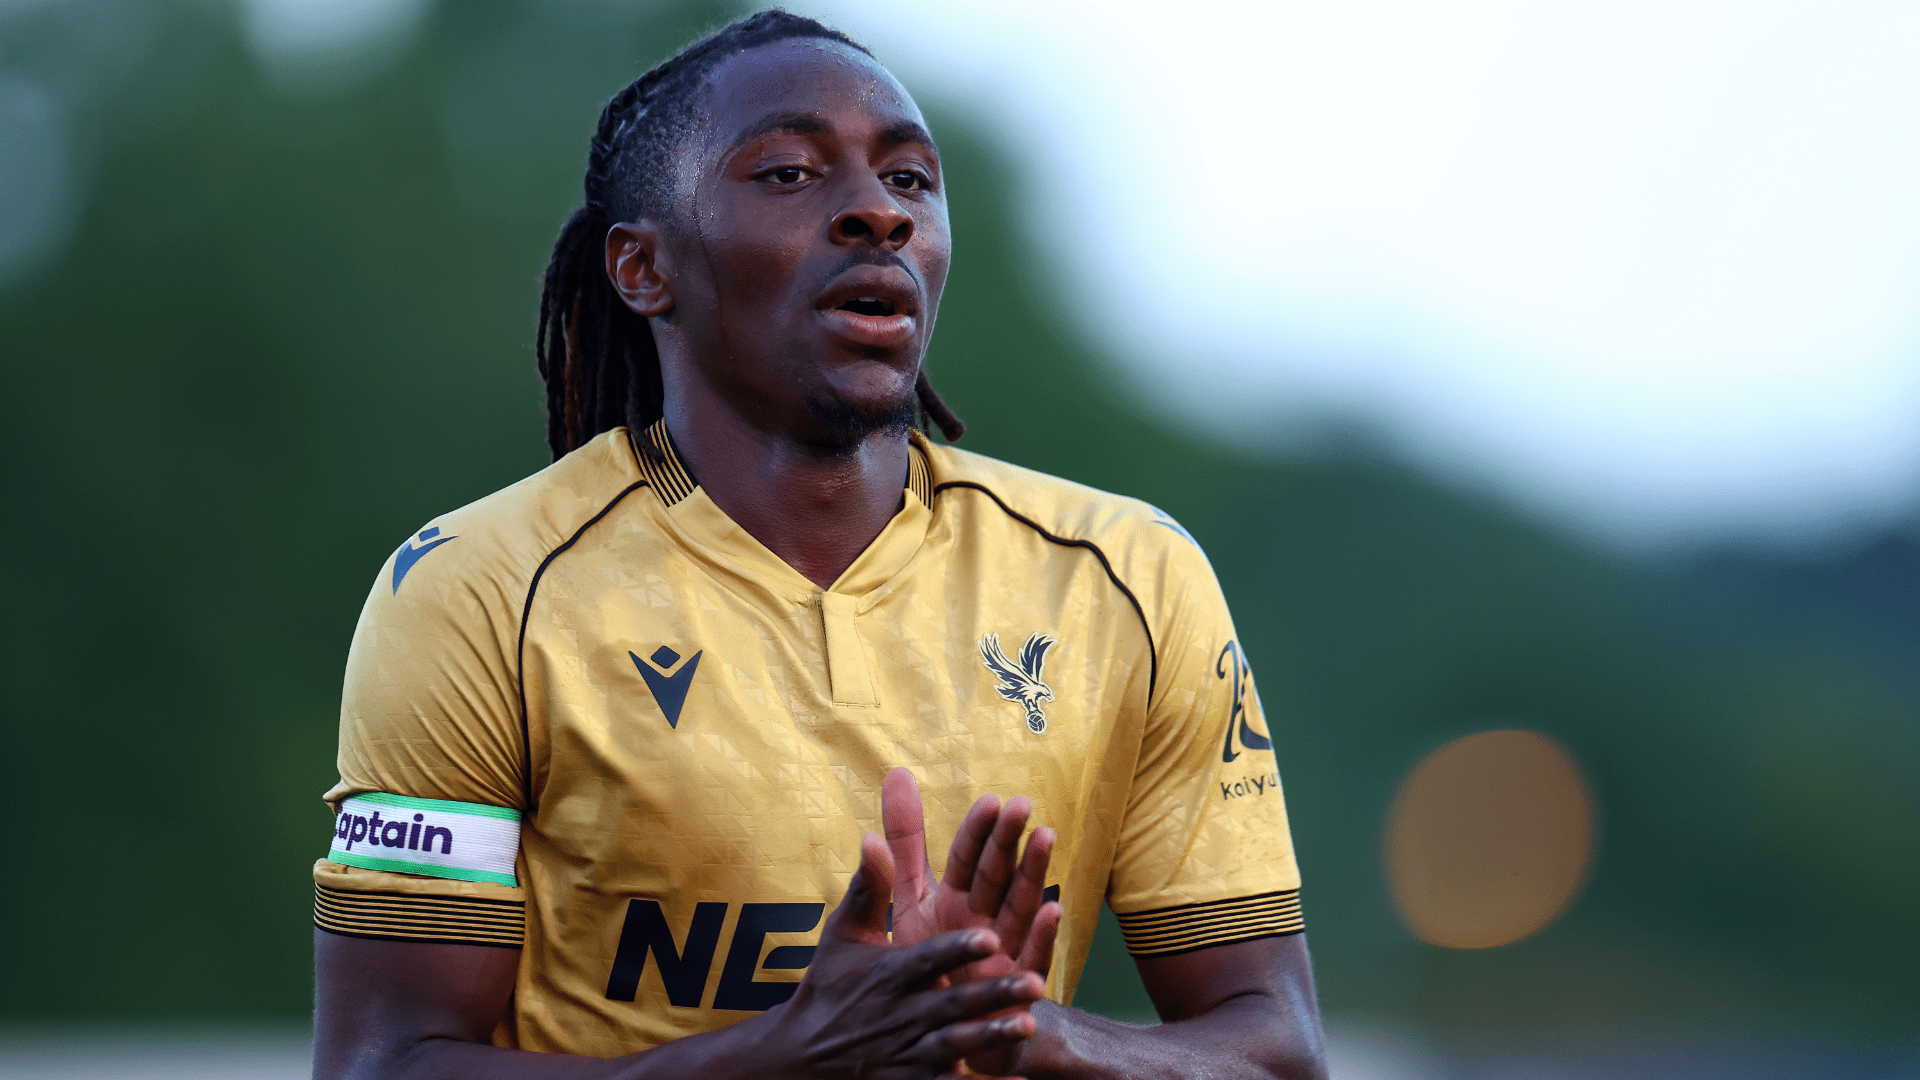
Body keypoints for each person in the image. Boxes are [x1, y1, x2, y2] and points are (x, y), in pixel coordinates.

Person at [310, 10, 1326, 1078]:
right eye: (790, 173)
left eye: (910, 180)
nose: (879, 212)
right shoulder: (477, 591)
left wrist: (1021, 1029)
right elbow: (383, 1064)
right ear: (643, 268)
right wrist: (789, 1055)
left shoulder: (1128, 580)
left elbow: (1275, 1052)